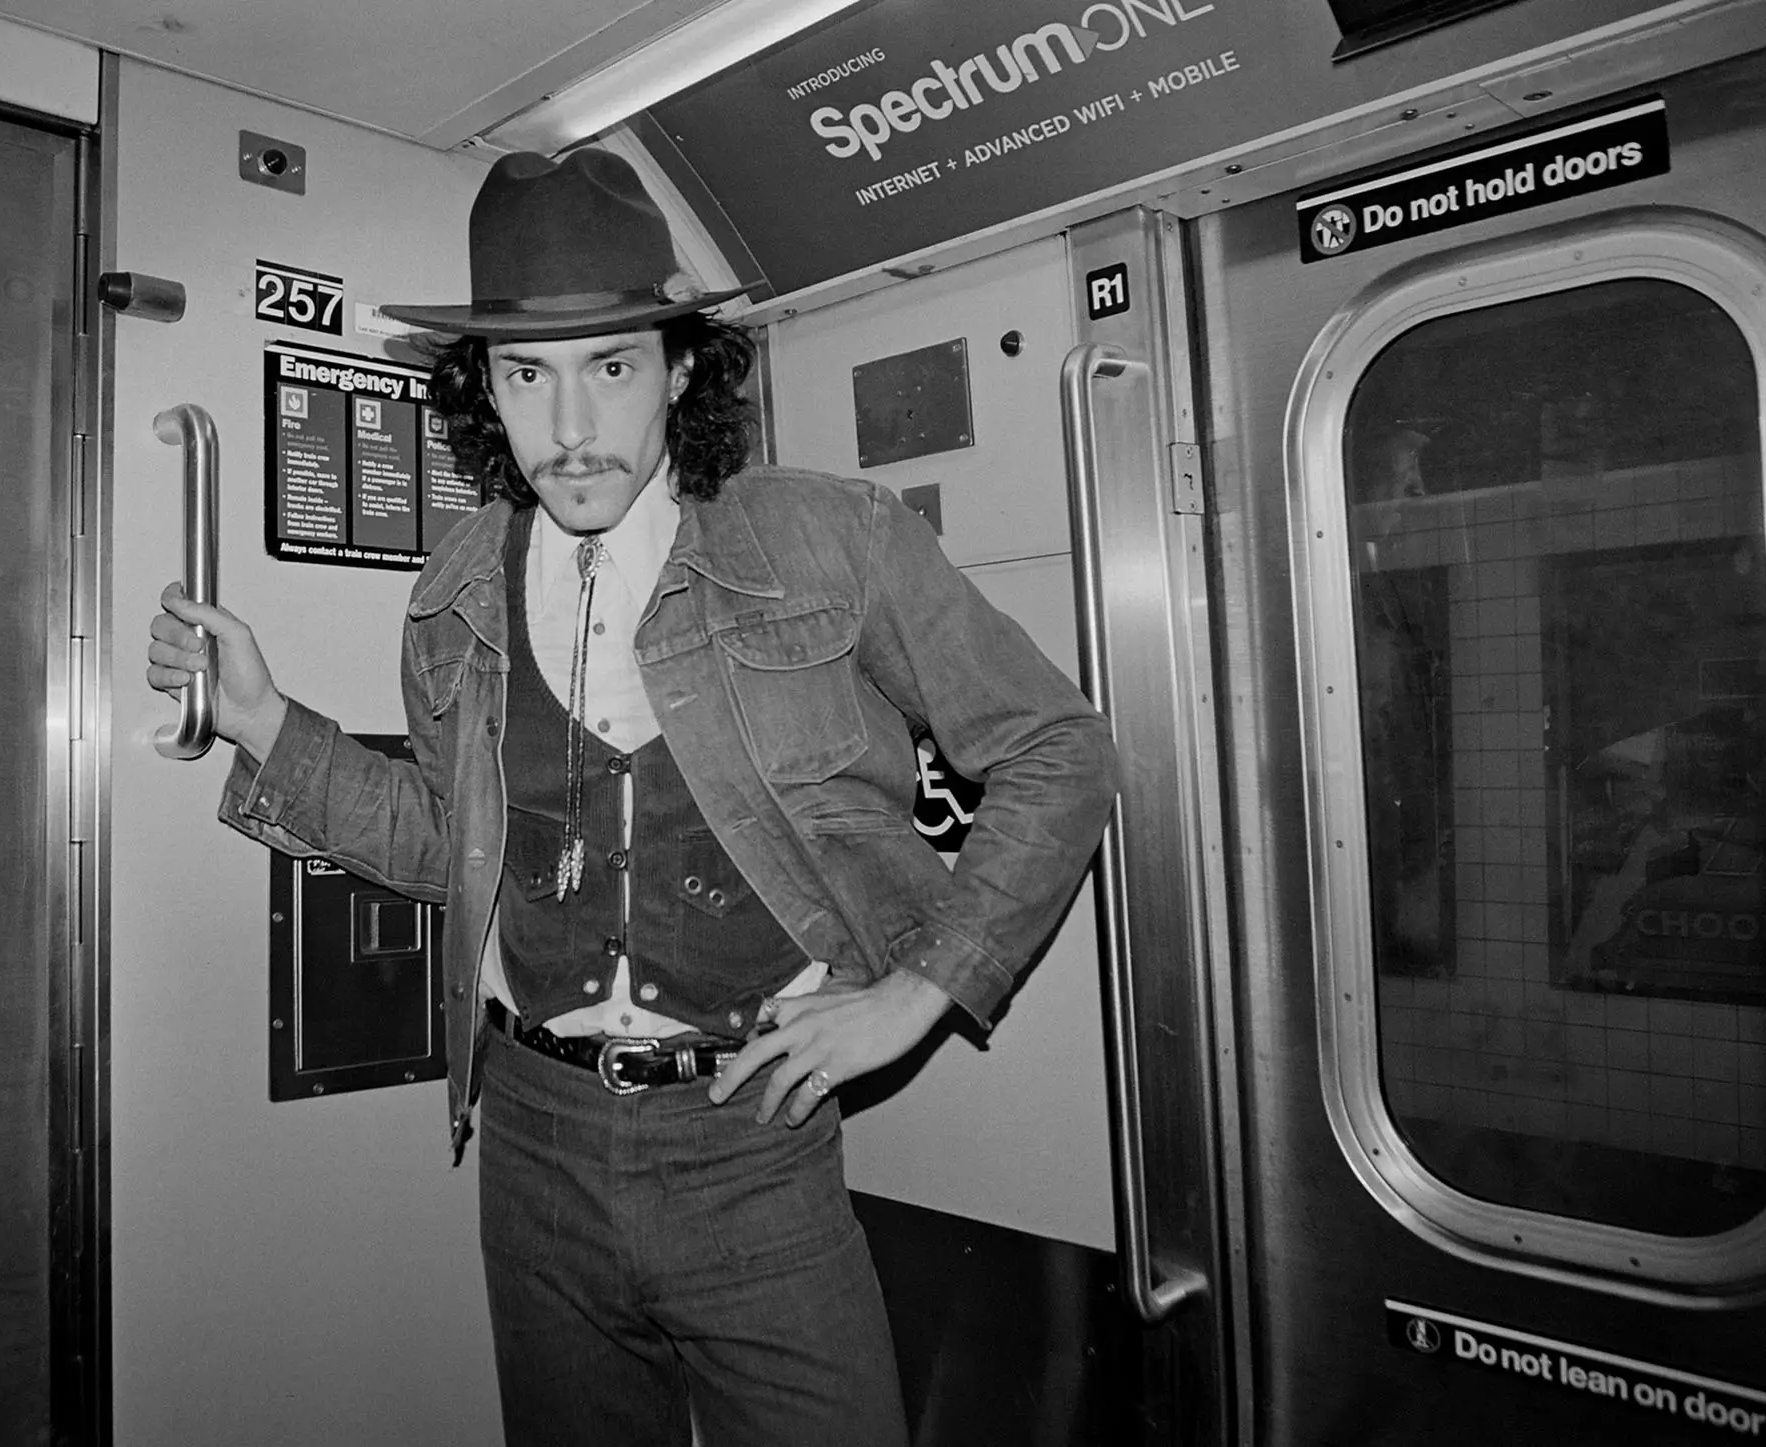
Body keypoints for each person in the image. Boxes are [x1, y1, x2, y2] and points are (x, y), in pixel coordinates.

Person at [146, 148, 1117, 1447]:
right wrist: (263, 719)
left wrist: (922, 991)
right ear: (484, 388)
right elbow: (453, 845)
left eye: (610, 366)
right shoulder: (455, 590)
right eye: (526, 374)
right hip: (534, 1144)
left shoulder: (831, 540)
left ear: (679, 367)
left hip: (750, 1138)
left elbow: (1059, 748)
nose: (570, 425)